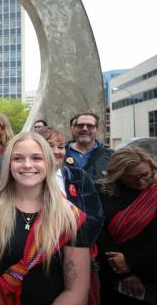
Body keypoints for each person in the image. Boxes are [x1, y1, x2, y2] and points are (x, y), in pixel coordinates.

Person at [0, 132, 91, 305]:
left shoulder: (69, 216)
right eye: (18, 159)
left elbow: (76, 290)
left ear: (48, 163)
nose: (27, 165)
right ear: (8, 164)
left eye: (36, 158)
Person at [38, 126, 104, 305]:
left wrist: (67, 242)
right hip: (36, 261)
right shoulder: (26, 179)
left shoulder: (77, 176)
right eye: (49, 145)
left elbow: (95, 218)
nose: (56, 151)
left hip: (75, 258)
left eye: (60, 146)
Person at [96, 147, 156, 305]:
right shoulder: (102, 192)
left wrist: (130, 263)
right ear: (118, 175)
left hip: (150, 271)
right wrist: (123, 271)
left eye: (146, 175)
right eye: (132, 178)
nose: (141, 182)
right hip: (112, 272)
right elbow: (98, 229)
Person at [65, 112, 113, 181]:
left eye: (90, 126)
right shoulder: (60, 154)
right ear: (75, 128)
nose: (84, 129)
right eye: (80, 125)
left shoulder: (110, 156)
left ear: (97, 129)